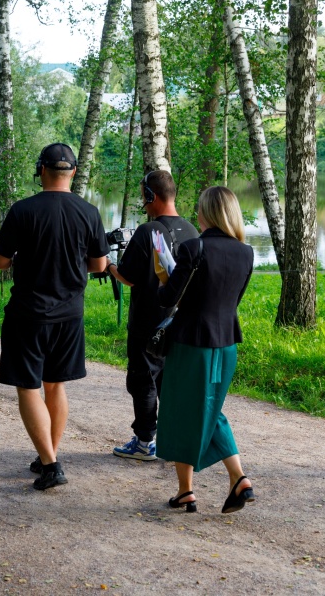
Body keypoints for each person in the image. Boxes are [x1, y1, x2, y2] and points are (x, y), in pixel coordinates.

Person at [0, 143, 110, 491]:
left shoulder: (23, 210)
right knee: (55, 385)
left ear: (41, 170)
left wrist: (21, 260)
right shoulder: (89, 212)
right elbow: (100, 265)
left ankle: (51, 463)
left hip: (28, 313)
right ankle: (49, 456)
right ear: (72, 173)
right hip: (70, 314)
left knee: (28, 386)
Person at [156, 186, 255, 514]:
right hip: (225, 344)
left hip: (192, 344)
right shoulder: (247, 253)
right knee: (208, 410)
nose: (196, 214)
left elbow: (169, 299)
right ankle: (188, 491)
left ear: (208, 214)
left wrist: (162, 275)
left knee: (184, 410)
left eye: (199, 209)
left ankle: (236, 478)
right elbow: (231, 301)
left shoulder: (193, 248)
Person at [106, 170, 198, 461]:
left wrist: (108, 266)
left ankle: (145, 441)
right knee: (169, 381)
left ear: (150, 196)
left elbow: (128, 277)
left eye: (143, 197)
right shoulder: (193, 231)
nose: (143, 204)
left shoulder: (148, 232)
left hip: (148, 320)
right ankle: (172, 437)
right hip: (180, 320)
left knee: (143, 380)